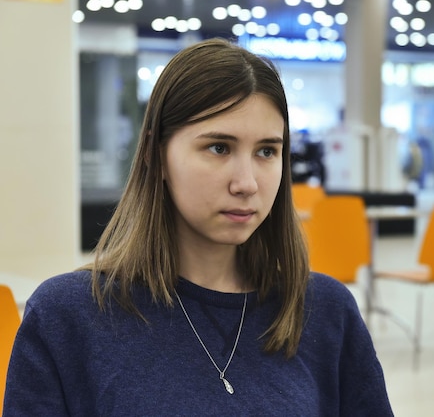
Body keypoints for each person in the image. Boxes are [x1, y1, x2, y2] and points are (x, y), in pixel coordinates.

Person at [3, 38, 394, 416]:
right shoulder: (69, 317)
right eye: (219, 148)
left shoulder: (323, 311)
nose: (247, 182)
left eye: (266, 151)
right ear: (159, 157)